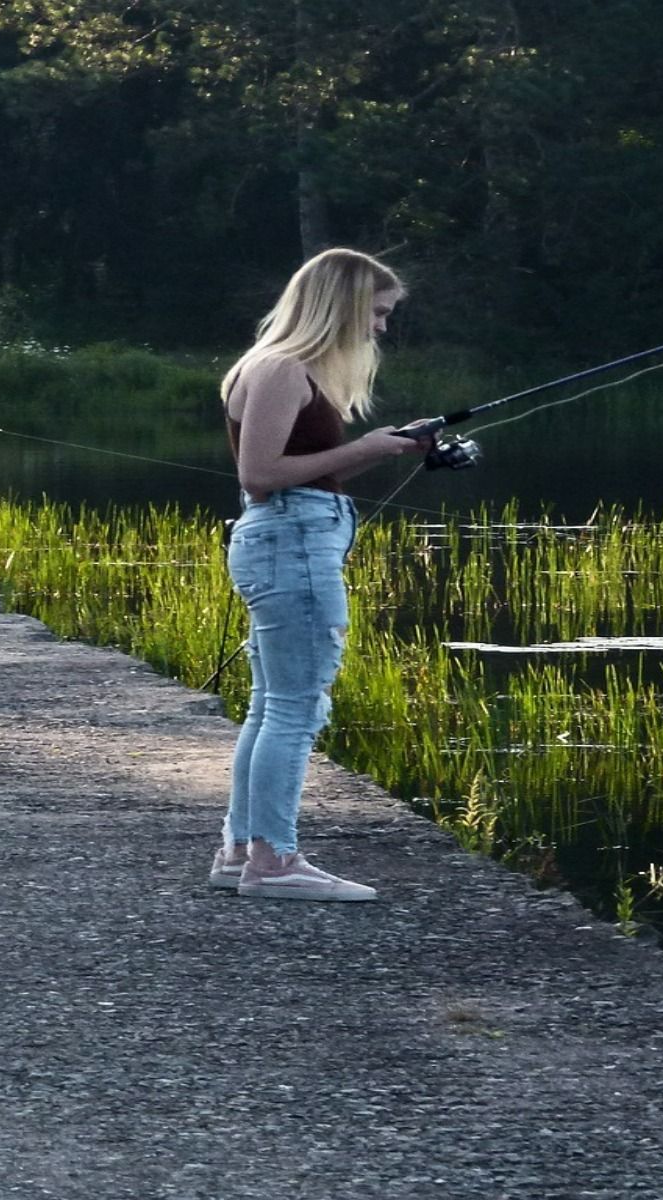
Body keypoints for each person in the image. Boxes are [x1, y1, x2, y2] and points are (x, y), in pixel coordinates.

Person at [211, 248, 432, 901]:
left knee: (271, 705)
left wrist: (387, 447)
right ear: (341, 304)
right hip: (290, 544)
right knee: (296, 707)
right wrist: (364, 447)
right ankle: (273, 863)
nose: (381, 328)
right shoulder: (281, 369)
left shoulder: (285, 369)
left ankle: (241, 851)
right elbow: (260, 477)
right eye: (378, 312)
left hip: (291, 539)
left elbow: (307, 469)